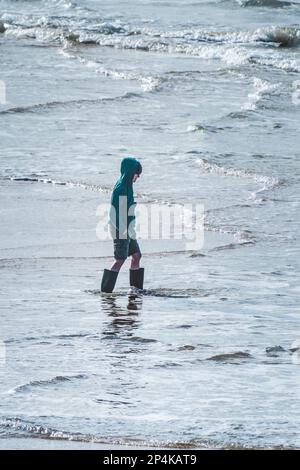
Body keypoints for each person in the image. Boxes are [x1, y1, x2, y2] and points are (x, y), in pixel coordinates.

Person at [101, 156, 144, 293]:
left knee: (136, 255)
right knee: (120, 259)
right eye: (136, 174)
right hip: (121, 229)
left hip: (128, 230)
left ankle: (136, 289)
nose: (137, 177)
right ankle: (106, 291)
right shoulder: (121, 188)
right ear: (130, 173)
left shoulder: (127, 185)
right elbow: (119, 213)